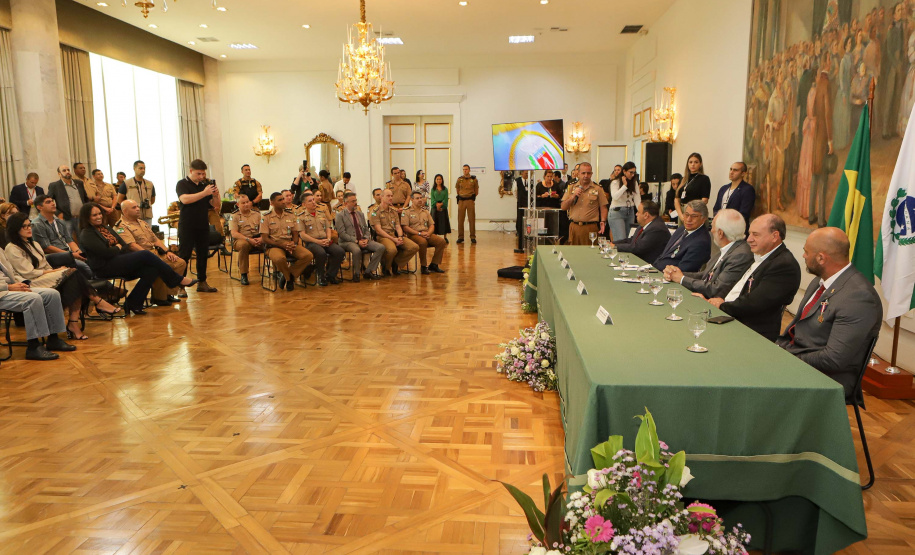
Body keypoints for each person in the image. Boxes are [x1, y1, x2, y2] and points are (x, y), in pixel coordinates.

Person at [776, 227, 883, 399]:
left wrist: (788, 357)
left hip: (828, 379)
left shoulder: (859, 297)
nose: (803, 256)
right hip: (799, 360)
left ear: (821, 258)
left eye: (806, 252)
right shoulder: (820, 282)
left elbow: (834, 359)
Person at [6, 212, 121, 339]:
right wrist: (55, 272)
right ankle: (97, 302)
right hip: (30, 281)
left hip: (44, 276)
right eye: (24, 226)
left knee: (74, 282)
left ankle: (74, 323)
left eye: (29, 225)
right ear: (15, 229)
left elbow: (46, 265)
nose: (29, 229)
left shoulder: (34, 244)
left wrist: (54, 271)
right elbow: (28, 273)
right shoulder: (12, 248)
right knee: (73, 272)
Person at [78, 203, 197, 315]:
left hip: (118, 261)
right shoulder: (86, 234)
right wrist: (117, 248)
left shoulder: (105, 228)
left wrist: (117, 248)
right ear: (87, 217)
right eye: (94, 215)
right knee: (145, 254)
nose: (99, 216)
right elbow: (105, 253)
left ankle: (133, 303)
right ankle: (176, 279)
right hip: (104, 267)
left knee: (151, 270)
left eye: (99, 213)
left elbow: (123, 244)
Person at [704, 214, 801, 341]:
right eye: (749, 234)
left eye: (755, 234)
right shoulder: (760, 255)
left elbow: (755, 303)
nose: (749, 239)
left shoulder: (784, 265)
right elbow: (735, 285)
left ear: (774, 236)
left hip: (749, 332)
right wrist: (716, 300)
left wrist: (722, 306)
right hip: (729, 316)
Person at [0, 249, 74, 360]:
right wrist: (8, 287)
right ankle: (33, 347)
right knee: (32, 299)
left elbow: (12, 273)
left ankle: (53, 339)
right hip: (2, 291)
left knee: (51, 294)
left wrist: (23, 283)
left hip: (10, 287)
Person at [663, 209, 754, 299]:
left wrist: (682, 279)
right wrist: (676, 273)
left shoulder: (740, 255)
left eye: (712, 227)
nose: (712, 231)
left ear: (720, 233)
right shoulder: (729, 249)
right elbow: (705, 276)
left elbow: (715, 289)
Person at [115, 200, 187, 306]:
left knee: (180, 262)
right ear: (125, 211)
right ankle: (159, 298)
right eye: (134, 207)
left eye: (137, 206)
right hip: (140, 257)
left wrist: (167, 251)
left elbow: (155, 240)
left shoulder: (142, 222)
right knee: (159, 266)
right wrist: (149, 256)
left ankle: (168, 294)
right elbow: (132, 246)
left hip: (154, 252)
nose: (138, 209)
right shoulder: (121, 226)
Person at [176, 159, 220, 293]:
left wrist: (215, 195)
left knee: (203, 254)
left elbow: (215, 205)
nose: (201, 177)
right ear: (191, 171)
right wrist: (204, 193)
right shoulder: (182, 183)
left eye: (203, 174)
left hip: (202, 224)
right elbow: (185, 199)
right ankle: (181, 285)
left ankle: (202, 282)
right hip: (187, 224)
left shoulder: (205, 185)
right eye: (198, 174)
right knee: (184, 255)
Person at [261, 192, 313, 291]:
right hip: (274, 245)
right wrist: (281, 245)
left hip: (289, 244)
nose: (283, 201)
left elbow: (295, 233)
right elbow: (264, 238)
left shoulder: (290, 214)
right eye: (280, 200)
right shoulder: (266, 217)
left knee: (308, 255)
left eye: (283, 199)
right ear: (272, 203)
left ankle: (289, 275)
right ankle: (289, 279)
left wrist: (294, 243)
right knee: (280, 259)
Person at [30, 195, 92, 278]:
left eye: (52, 201)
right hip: (52, 256)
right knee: (83, 266)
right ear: (39, 207)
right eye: (48, 202)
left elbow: (69, 240)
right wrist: (71, 255)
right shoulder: (37, 224)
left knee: (90, 259)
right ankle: (92, 282)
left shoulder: (60, 222)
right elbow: (46, 247)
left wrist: (78, 251)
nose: (53, 204)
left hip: (67, 253)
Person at [297, 191, 344, 286]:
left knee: (339, 251)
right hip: (312, 242)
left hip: (325, 240)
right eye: (310, 201)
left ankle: (330, 275)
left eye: (313, 200)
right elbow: (302, 235)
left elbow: (328, 228)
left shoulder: (321, 213)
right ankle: (320, 276)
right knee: (321, 253)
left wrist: (328, 238)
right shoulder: (301, 216)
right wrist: (317, 241)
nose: (313, 202)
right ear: (304, 204)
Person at [335, 192, 384, 282]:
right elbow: (342, 234)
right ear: (346, 203)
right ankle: (356, 274)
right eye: (353, 201)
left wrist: (366, 238)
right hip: (347, 241)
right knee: (356, 250)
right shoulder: (340, 215)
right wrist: (357, 241)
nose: (355, 203)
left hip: (362, 239)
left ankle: (369, 271)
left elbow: (366, 229)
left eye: (356, 200)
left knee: (380, 247)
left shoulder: (360, 214)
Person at [369, 189, 418, 275]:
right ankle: (386, 267)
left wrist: (400, 236)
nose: (391, 198)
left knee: (414, 247)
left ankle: (395, 263)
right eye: (388, 196)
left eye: (391, 196)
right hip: (383, 237)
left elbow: (398, 226)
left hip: (394, 235)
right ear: (382, 197)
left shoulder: (393, 211)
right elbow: (379, 231)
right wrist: (394, 239)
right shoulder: (375, 212)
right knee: (392, 250)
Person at [653, 200, 711, 272]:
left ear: (703, 219)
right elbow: (664, 254)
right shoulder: (682, 228)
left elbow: (684, 270)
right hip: (656, 270)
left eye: (694, 216)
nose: (688, 219)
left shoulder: (701, 242)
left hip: (669, 275)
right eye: (686, 215)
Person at [561, 162, 608, 245]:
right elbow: (563, 207)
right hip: (574, 227)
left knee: (590, 252)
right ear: (578, 174)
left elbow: (603, 207)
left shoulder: (598, 188)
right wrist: (573, 196)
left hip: (590, 227)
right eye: (583, 173)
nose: (586, 176)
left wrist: (603, 221)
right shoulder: (571, 187)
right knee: (573, 251)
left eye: (588, 173)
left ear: (591, 174)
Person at [402, 191, 447, 274]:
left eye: (421, 198)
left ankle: (434, 264)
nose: (420, 200)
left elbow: (432, 224)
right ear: (412, 199)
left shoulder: (425, 211)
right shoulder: (407, 211)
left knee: (441, 242)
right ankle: (423, 266)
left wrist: (429, 233)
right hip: (413, 235)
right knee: (422, 242)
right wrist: (419, 233)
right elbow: (405, 227)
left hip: (426, 233)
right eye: (417, 198)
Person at [612, 201, 669, 265]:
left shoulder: (657, 228)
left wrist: (615, 246)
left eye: (638, 212)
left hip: (650, 265)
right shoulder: (644, 225)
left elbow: (638, 248)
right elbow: (632, 240)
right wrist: (613, 243)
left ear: (646, 215)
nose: (636, 214)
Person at [227, 194, 263, 285]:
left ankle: (277, 272)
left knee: (272, 242)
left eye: (247, 202)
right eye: (243, 203)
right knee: (244, 245)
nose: (246, 204)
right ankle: (244, 274)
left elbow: (264, 229)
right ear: (238, 204)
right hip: (241, 240)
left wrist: (261, 238)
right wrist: (248, 239)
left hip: (256, 238)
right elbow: (234, 233)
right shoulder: (234, 216)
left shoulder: (257, 214)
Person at [47, 164, 88, 239]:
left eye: (68, 170)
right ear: (59, 174)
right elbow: (48, 202)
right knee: (68, 239)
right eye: (64, 170)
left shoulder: (79, 183)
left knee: (83, 238)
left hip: (81, 217)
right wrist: (58, 213)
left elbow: (85, 198)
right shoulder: (54, 185)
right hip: (66, 218)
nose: (67, 172)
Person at [712, 162, 756, 232]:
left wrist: (728, 222)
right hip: (721, 228)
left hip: (736, 229)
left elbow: (744, 213)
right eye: (731, 169)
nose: (731, 172)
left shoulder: (747, 189)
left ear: (743, 173)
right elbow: (716, 208)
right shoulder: (723, 188)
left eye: (735, 170)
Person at [673, 153, 711, 221]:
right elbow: (677, 199)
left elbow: (704, 200)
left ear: (700, 164)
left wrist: (692, 212)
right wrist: (681, 215)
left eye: (696, 162)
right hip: (682, 212)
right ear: (687, 164)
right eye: (690, 162)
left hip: (695, 212)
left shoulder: (704, 179)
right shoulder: (683, 179)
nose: (693, 164)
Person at [607, 162, 640, 242]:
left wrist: (640, 210)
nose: (632, 175)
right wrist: (624, 185)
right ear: (624, 171)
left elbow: (637, 198)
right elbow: (615, 197)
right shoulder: (615, 182)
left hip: (630, 211)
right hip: (617, 212)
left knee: (629, 239)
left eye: (634, 173)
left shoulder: (634, 182)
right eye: (630, 172)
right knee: (621, 239)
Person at [117, 160, 156, 226]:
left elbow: (152, 200)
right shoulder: (127, 183)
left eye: (144, 168)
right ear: (134, 169)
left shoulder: (150, 183)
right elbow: (119, 199)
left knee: (148, 232)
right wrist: (130, 207)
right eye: (140, 168)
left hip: (147, 215)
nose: (143, 170)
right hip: (133, 216)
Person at [455, 164, 479, 244]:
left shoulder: (474, 179)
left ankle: (473, 237)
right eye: (464, 169)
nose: (465, 171)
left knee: (471, 219)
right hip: (461, 201)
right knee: (460, 220)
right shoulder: (459, 179)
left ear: (469, 170)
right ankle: (460, 237)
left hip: (470, 201)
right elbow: (457, 190)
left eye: (466, 169)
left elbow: (476, 191)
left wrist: (470, 196)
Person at [430, 174, 451, 245]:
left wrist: (441, 204)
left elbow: (446, 199)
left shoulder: (445, 189)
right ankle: (434, 237)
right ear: (435, 180)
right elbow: (432, 199)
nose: (439, 180)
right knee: (434, 222)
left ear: (442, 180)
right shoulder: (433, 189)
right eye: (437, 179)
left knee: (444, 222)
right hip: (435, 208)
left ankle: (445, 237)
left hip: (443, 207)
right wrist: (436, 204)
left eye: (440, 179)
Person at [514, 170, 531, 252]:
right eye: (525, 173)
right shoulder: (517, 181)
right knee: (520, 221)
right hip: (520, 203)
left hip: (529, 204)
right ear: (521, 174)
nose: (527, 175)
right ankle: (520, 243)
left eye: (528, 173)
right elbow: (514, 192)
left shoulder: (531, 181)